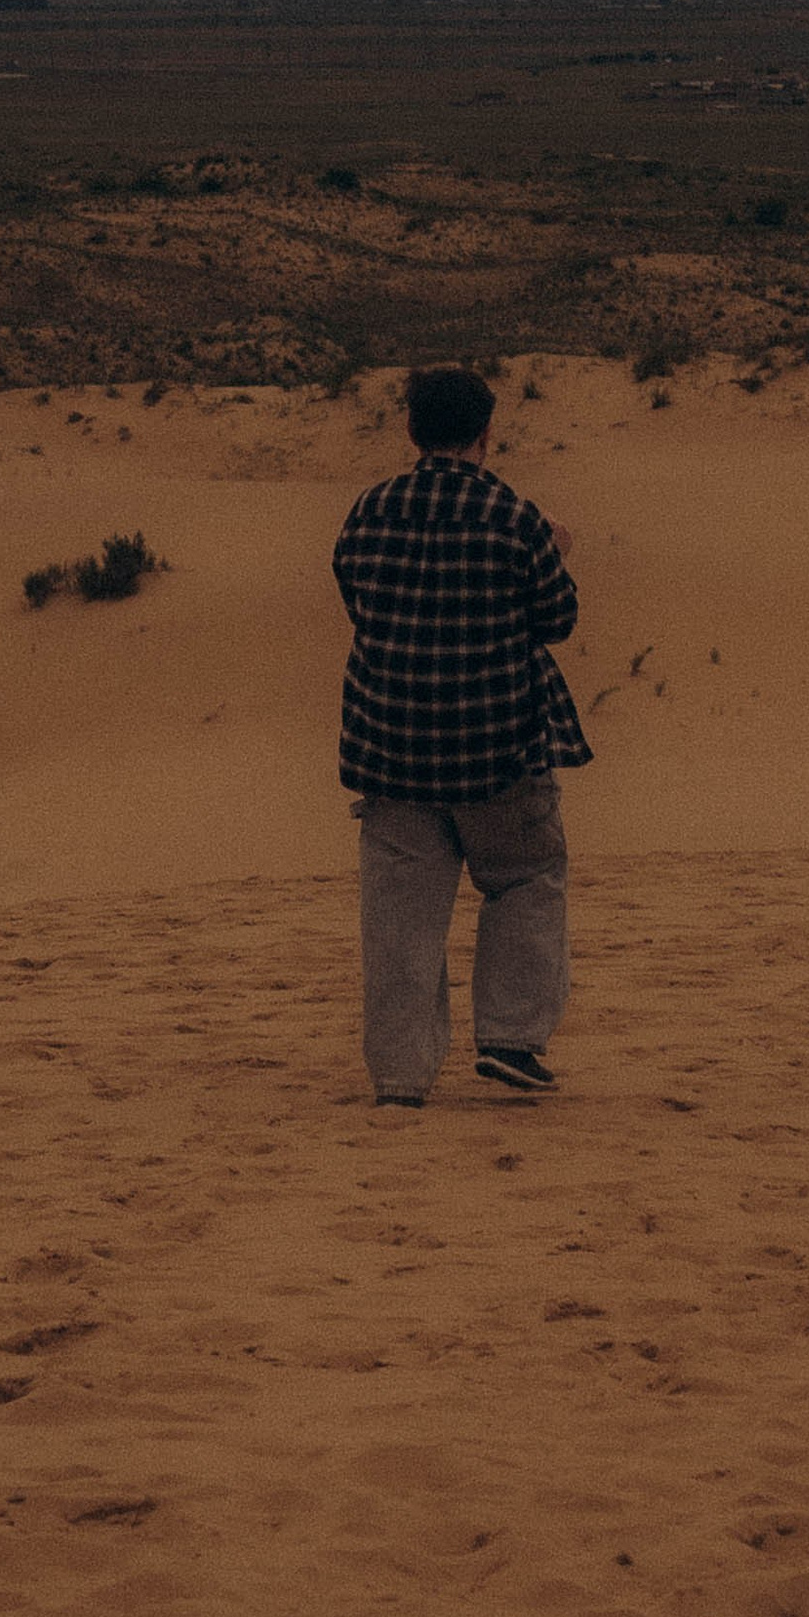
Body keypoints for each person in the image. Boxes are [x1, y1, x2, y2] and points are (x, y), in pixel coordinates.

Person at [333, 364, 590, 1105]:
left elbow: (356, 596)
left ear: (411, 432)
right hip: (499, 746)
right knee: (525, 881)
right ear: (486, 433)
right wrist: (557, 551)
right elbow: (558, 620)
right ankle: (511, 1038)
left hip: (393, 746)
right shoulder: (514, 518)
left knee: (399, 917)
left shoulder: (370, 510)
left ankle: (401, 1076)